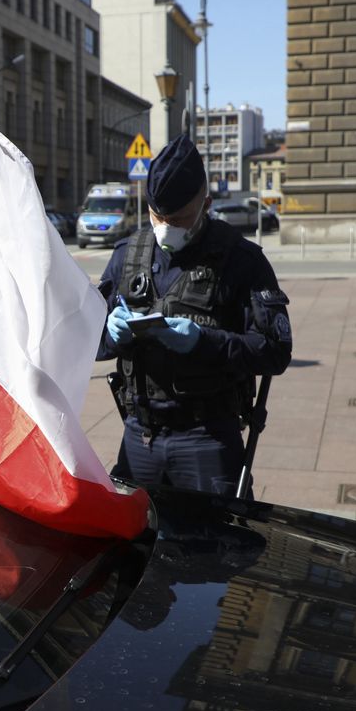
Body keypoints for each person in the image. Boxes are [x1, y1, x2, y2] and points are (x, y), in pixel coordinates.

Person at [97, 134, 292, 495]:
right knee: (132, 542)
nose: (166, 227)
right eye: (158, 216)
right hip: (140, 435)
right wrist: (110, 334)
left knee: (217, 545)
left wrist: (204, 342)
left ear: (206, 204)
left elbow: (276, 351)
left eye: (179, 218)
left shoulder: (241, 260)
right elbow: (89, 342)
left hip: (207, 439)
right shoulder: (127, 255)